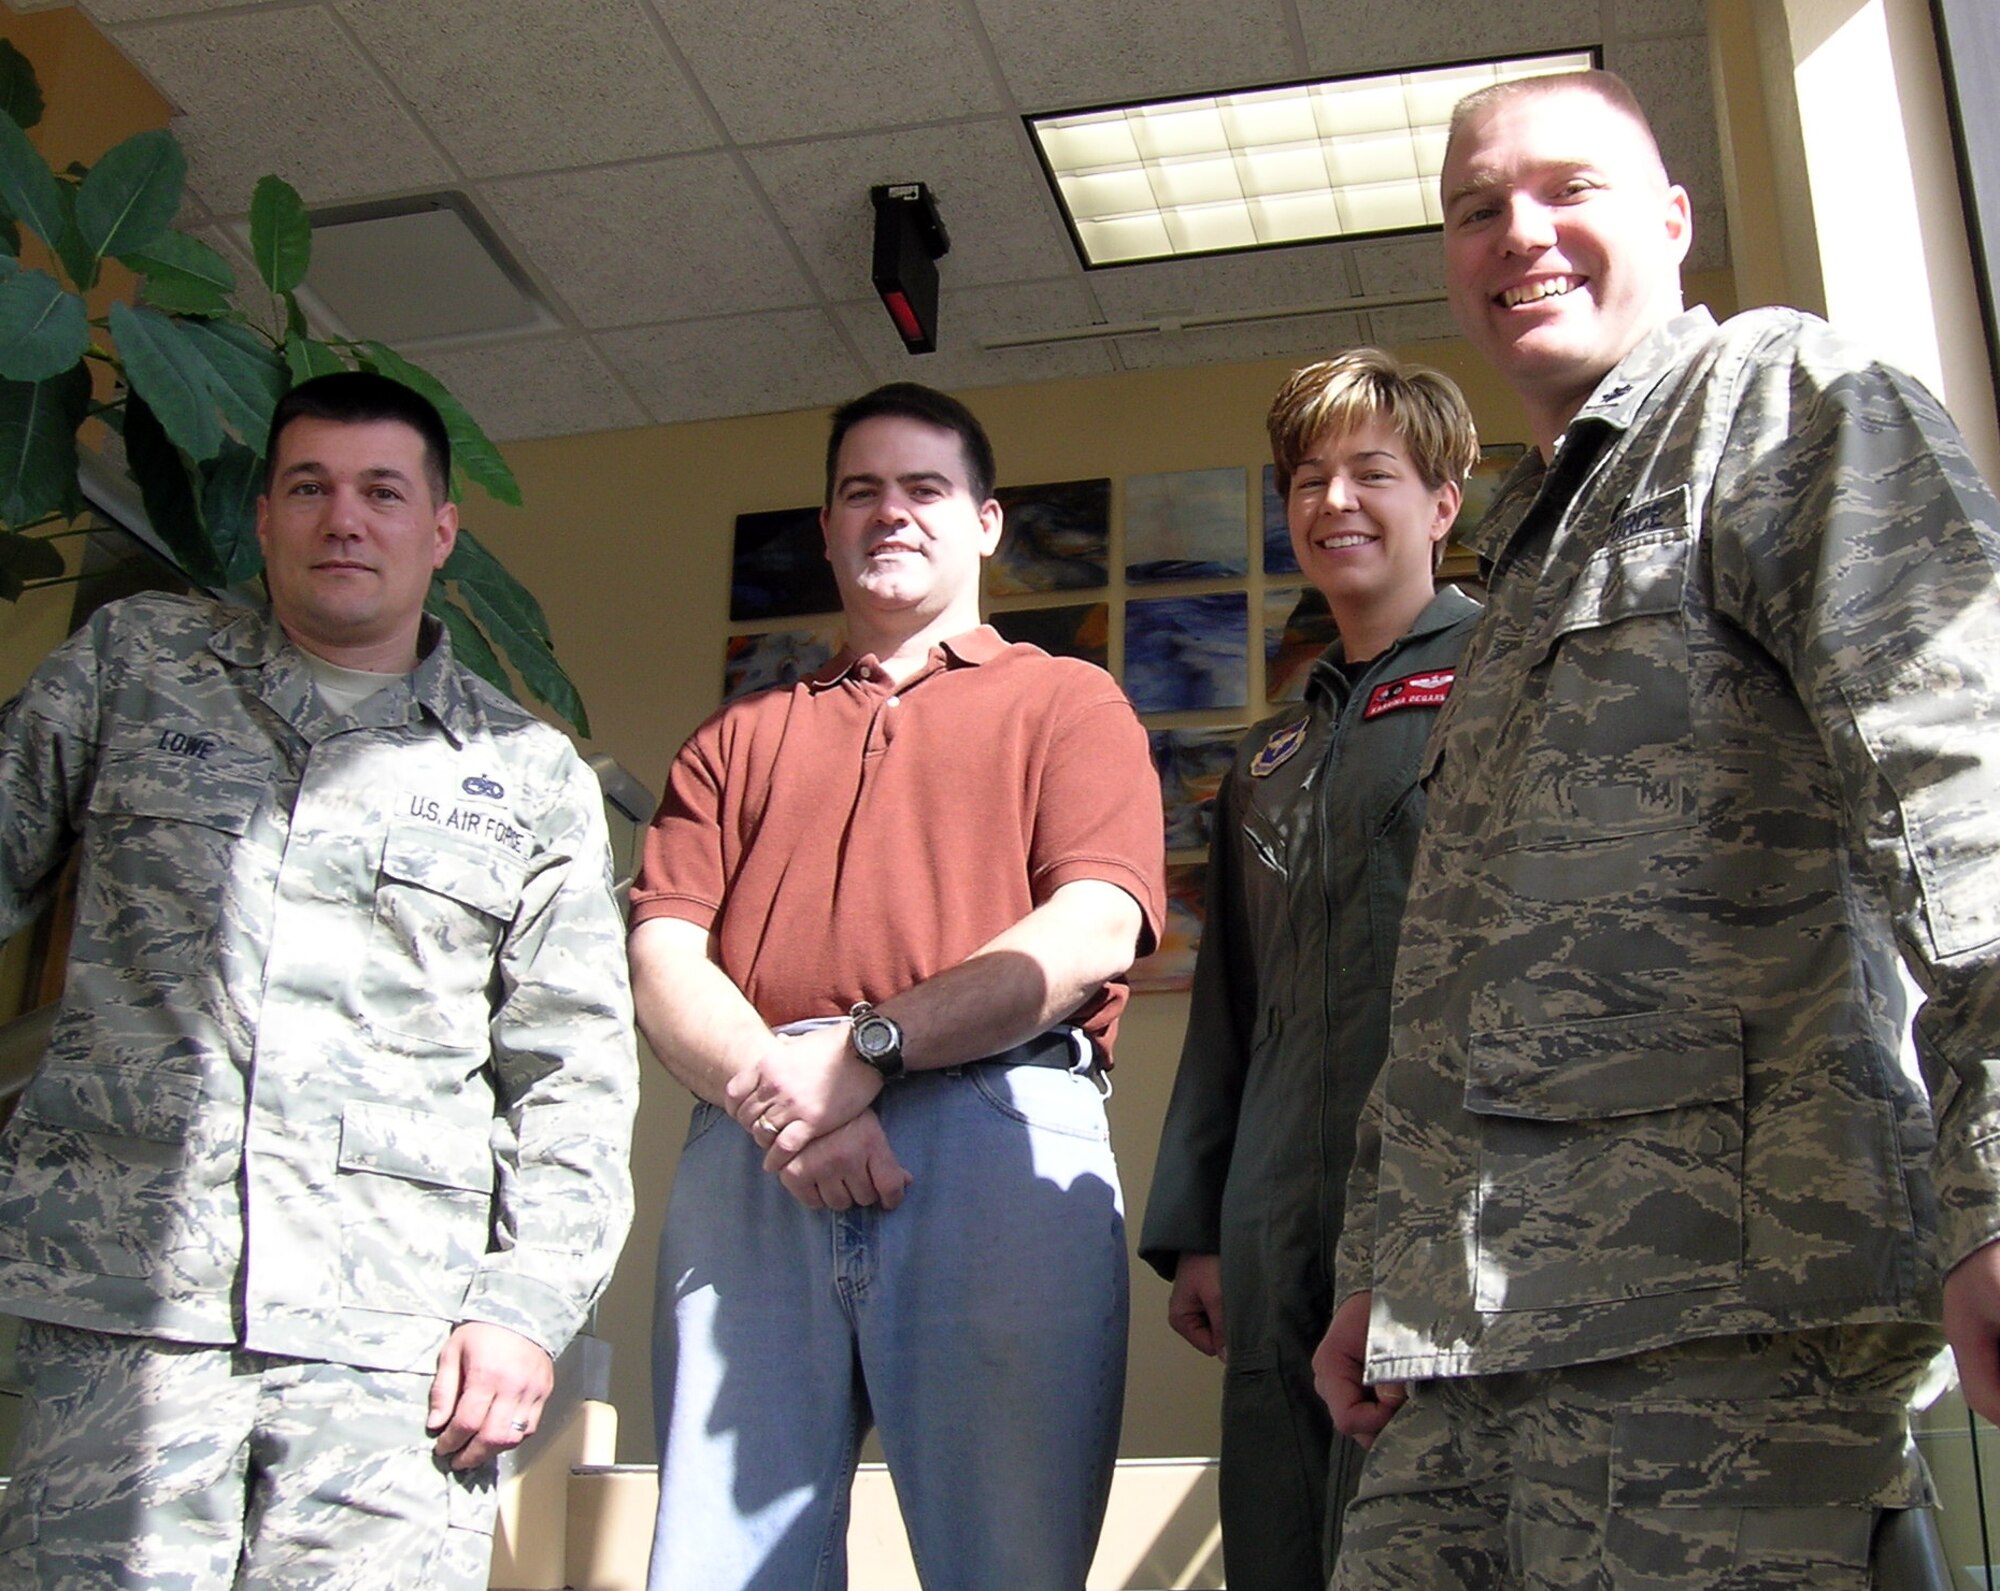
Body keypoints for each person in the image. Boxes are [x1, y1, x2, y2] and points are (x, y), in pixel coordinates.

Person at [1315, 69, 2000, 1588]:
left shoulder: (1781, 401)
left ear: (1675, 220)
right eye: (1479, 208)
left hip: (1724, 1325)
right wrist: (1383, 1261)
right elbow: (1459, 975)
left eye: (1571, 189)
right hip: (1467, 1346)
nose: (1521, 234)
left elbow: (1969, 791)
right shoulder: (1509, 580)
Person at [0, 371, 639, 1589]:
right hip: (126, 1317)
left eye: (382, 492)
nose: (344, 519)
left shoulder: (527, 773)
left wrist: (523, 1304)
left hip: (393, 1354)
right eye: (310, 487)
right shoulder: (136, 668)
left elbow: (574, 1077)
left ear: (439, 530)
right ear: (264, 518)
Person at [631, 381, 1165, 1591]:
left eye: (923, 488)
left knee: (1007, 1565)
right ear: (824, 527)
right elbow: (664, 954)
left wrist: (863, 1050)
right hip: (751, 1143)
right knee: (719, 1569)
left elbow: (1094, 924)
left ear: (984, 521)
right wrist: (781, 1092)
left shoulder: (1067, 701)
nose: (890, 512)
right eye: (858, 491)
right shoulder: (734, 740)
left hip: (990, 1129)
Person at [1141, 348, 1481, 1591]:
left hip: (1448, 1183)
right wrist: (1198, 1226)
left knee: (1434, 1519)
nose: (1332, 500)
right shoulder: (1268, 754)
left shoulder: (1508, 686)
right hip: (1276, 1203)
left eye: (1371, 472)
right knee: (1285, 1525)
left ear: (1441, 501)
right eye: (1306, 478)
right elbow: (1228, 1005)